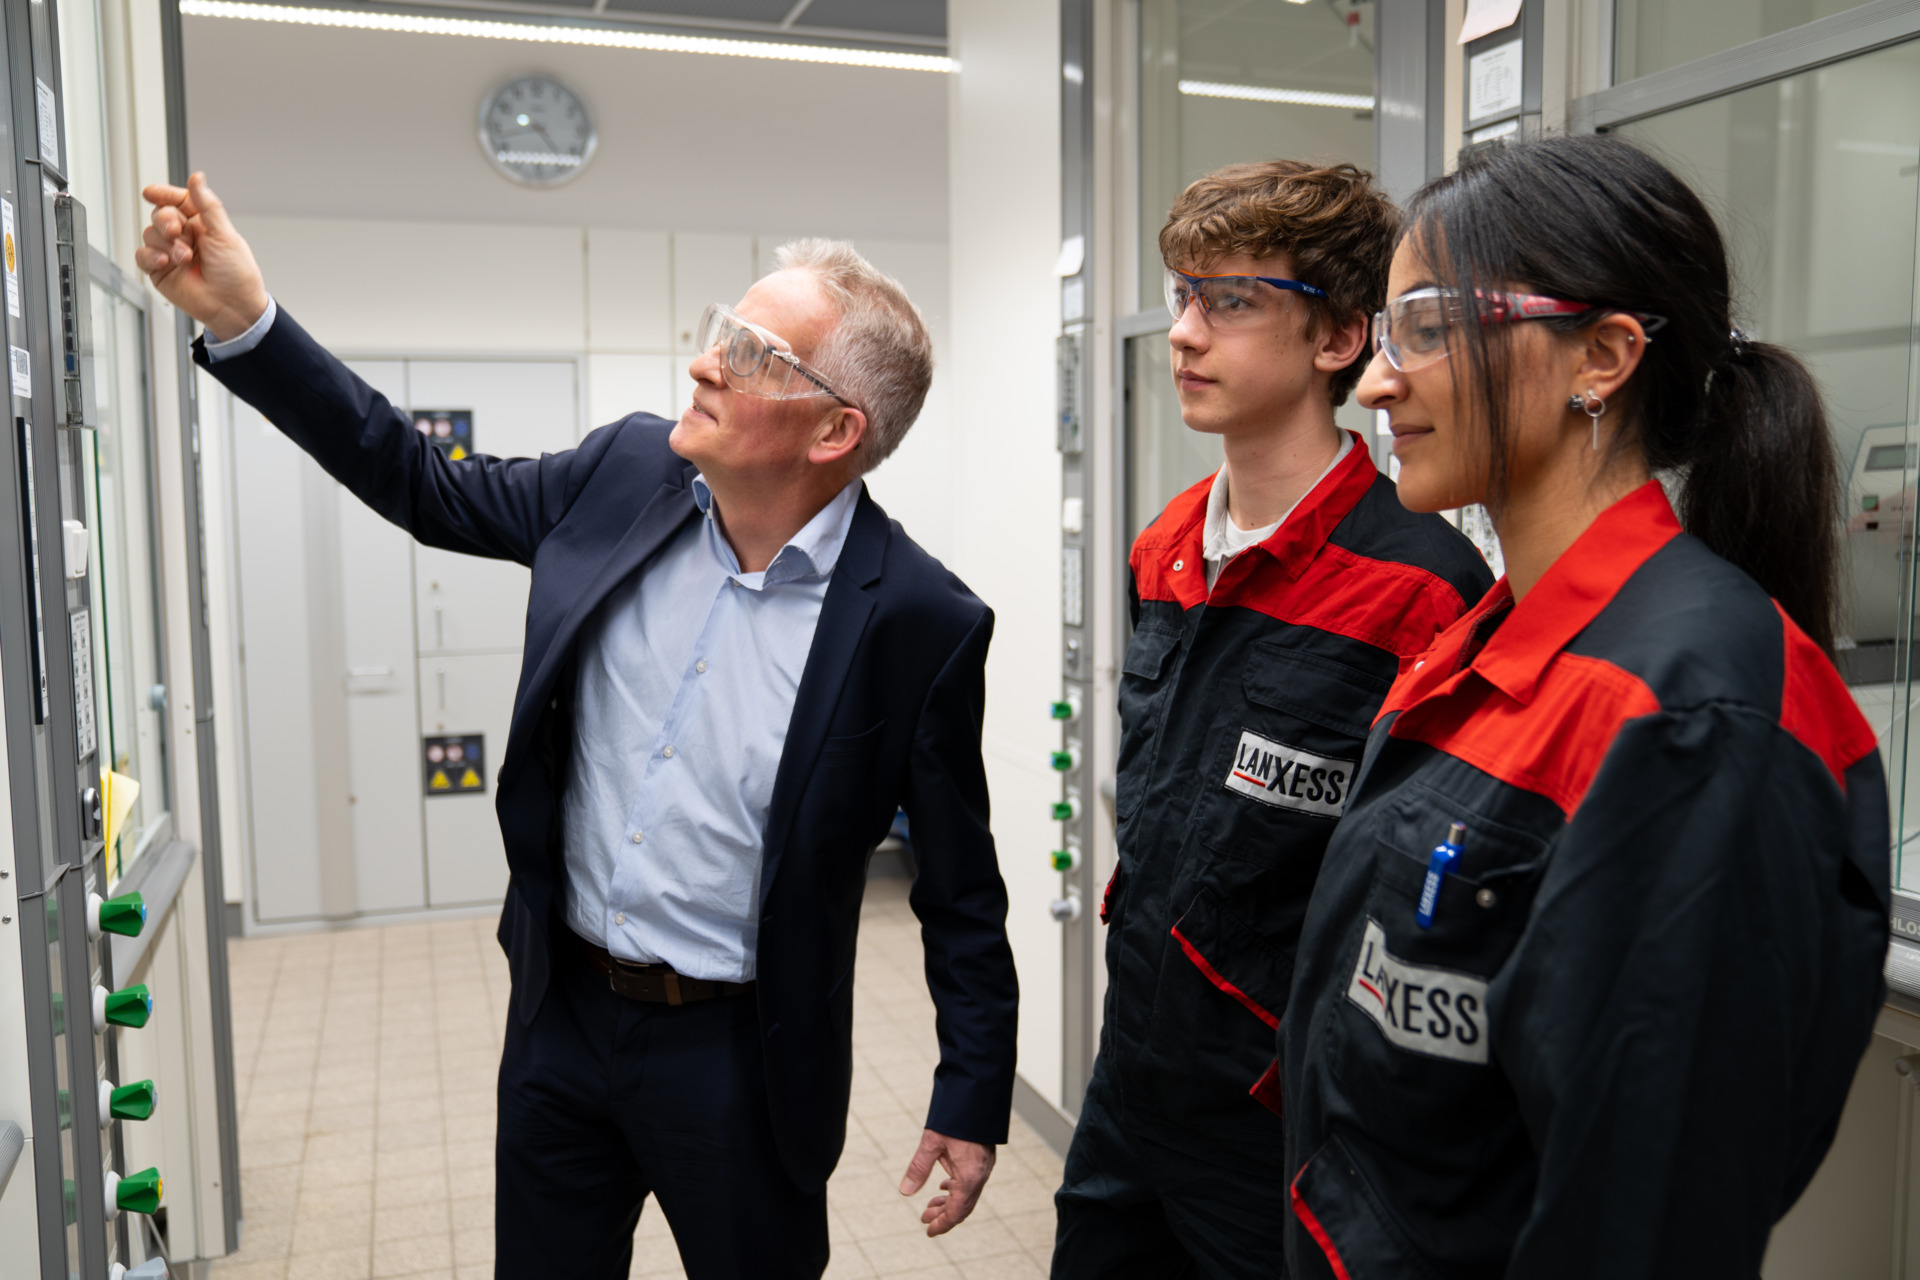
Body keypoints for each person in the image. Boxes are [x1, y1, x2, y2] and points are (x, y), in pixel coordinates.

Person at [136, 175, 1019, 1280]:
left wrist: (972, 1091)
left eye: (751, 352)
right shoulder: (624, 475)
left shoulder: (920, 621)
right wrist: (244, 321)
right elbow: (421, 479)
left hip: (741, 1056)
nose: (704, 360)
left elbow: (960, 889)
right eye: (718, 331)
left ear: (837, 429)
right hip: (565, 1016)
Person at [1278, 134, 1890, 1279]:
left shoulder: (1687, 713)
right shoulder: (1492, 639)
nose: (1373, 379)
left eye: (1425, 324)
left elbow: (1644, 1213)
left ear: (1600, 356)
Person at [1051, 161, 1493, 1278]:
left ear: (1340, 334)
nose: (1184, 333)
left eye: (1230, 301)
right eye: (1182, 295)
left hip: (1277, 1116)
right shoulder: (1166, 544)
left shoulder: (1421, 586)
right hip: (1133, 1072)